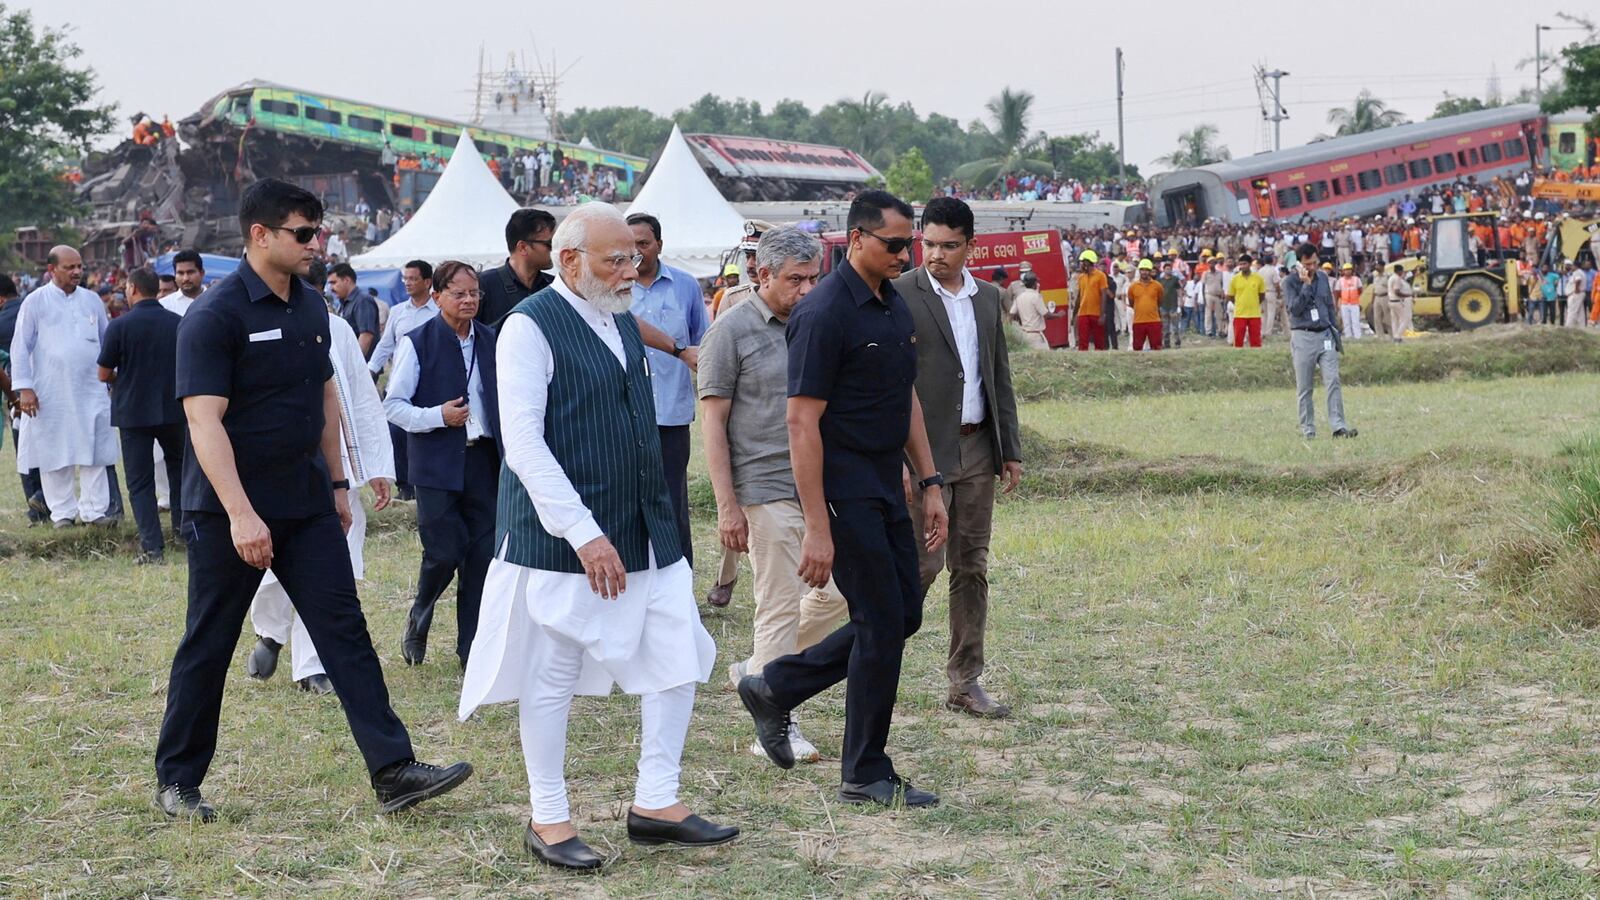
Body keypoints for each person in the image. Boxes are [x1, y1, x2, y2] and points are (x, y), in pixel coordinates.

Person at [153, 178, 471, 823]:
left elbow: (325, 397)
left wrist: (336, 484)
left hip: (306, 504)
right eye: (303, 233)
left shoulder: (309, 307)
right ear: (260, 235)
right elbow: (203, 423)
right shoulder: (214, 317)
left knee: (344, 632)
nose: (314, 243)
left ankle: (393, 770)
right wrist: (241, 514)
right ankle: (178, 779)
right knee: (209, 643)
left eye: (317, 232)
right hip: (228, 511)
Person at [459, 203, 734, 870]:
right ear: (571, 260)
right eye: (616, 259)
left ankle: (657, 800)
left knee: (679, 654)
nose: (632, 271)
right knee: (550, 674)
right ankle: (548, 817)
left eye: (635, 258)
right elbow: (521, 442)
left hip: (646, 527)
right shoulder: (531, 326)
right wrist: (583, 532)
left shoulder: (619, 320)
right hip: (564, 539)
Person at [737, 190, 949, 809]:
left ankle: (775, 686)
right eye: (893, 244)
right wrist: (816, 526)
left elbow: (904, 398)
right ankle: (864, 770)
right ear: (856, 239)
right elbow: (801, 423)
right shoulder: (824, 313)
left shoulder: (892, 306)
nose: (904, 255)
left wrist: (930, 481)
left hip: (886, 481)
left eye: (907, 244)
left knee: (901, 614)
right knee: (882, 622)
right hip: (840, 486)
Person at [698, 225, 847, 761]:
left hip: (821, 486)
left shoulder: (819, 324)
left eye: (814, 278)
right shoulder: (730, 332)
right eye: (794, 280)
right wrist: (727, 505)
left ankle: (760, 671)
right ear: (763, 275)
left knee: (838, 593)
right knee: (780, 604)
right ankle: (778, 724)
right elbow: (712, 424)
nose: (807, 290)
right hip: (761, 487)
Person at [894, 196, 1022, 719]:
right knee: (918, 566)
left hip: (976, 446)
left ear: (971, 246)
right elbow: (891, 385)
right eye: (928, 244)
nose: (936, 255)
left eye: (949, 246)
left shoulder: (988, 297)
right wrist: (901, 462)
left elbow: (999, 374)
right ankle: (874, 660)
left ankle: (966, 680)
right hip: (921, 452)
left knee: (971, 566)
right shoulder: (900, 293)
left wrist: (1009, 448)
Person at [245, 296, 395, 695]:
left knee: (331, 571)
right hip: (275, 469)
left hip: (336, 470)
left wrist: (377, 466)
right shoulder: (253, 326)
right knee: (274, 566)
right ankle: (272, 631)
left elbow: (361, 398)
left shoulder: (338, 330)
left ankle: (313, 666)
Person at [384, 261, 499, 669]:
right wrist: (437, 416)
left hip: (484, 461)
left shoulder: (491, 338)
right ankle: (420, 614)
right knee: (444, 551)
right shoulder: (418, 341)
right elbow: (393, 406)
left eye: (474, 294)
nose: (469, 300)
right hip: (435, 464)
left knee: (483, 558)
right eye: (459, 294)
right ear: (436, 297)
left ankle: (472, 648)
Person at [10, 245, 119, 528]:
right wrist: (24, 388)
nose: (77, 272)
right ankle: (62, 514)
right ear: (51, 270)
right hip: (51, 390)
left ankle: (94, 512)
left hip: (91, 388)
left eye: (79, 267)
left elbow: (106, 341)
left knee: (95, 450)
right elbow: (20, 347)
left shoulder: (92, 300)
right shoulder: (35, 302)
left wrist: (112, 376)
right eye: (70, 267)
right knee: (54, 450)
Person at [627, 212, 710, 568]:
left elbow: (700, 344)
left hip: (673, 414)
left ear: (659, 244)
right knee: (630, 501)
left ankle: (678, 583)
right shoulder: (615, 286)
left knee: (673, 501)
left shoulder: (686, 285)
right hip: (626, 413)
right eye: (630, 245)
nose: (637, 252)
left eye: (643, 244)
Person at [95, 267, 184, 564]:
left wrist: (124, 378)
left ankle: (152, 547)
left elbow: (103, 373)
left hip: (133, 411)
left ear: (132, 288)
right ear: (156, 289)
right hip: (174, 408)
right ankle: (184, 533)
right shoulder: (178, 323)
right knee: (181, 472)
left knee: (140, 482)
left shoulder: (120, 326)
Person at [368, 259, 440, 504]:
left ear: (428, 282)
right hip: (400, 384)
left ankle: (428, 483)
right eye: (405, 279)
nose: (407, 283)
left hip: (430, 384)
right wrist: (371, 370)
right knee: (396, 434)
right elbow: (385, 346)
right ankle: (405, 486)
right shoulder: (398, 312)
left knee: (427, 435)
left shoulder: (440, 311)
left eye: (413, 279)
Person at [1285, 243, 1357, 440]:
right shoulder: (1290, 282)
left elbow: (1328, 305)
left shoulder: (1324, 278)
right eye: (1308, 264)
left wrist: (1335, 332)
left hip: (1325, 334)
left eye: (1315, 263)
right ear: (1299, 263)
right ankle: (1308, 430)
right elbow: (1295, 309)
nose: (1312, 267)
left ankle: (1339, 427)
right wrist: (1306, 284)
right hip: (1303, 336)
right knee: (1305, 386)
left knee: (1333, 380)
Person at [0, 274, 47, 525]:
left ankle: (37, 506)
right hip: (50, 390)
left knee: (26, 453)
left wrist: (13, 399)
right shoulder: (37, 307)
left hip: (21, 396)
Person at [476, 208, 556, 330]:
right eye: (550, 244)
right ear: (523, 247)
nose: (555, 250)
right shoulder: (483, 285)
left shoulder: (554, 286)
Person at [326, 263, 379, 358]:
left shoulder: (362, 301)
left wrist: (356, 364)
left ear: (346, 280)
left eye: (334, 283)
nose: (331, 288)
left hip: (362, 366)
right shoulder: (344, 303)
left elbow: (366, 336)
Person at [1072, 251, 1110, 351]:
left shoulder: (1101, 276)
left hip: (1096, 313)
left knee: (1099, 341)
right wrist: (1075, 314)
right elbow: (1080, 296)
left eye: (1081, 262)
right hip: (1083, 313)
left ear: (1087, 263)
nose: (1080, 265)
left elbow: (1103, 296)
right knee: (1083, 341)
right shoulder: (1081, 277)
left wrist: (1102, 314)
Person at [1228, 255, 1266, 348]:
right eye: (1240, 264)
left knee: (1256, 341)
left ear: (1250, 264)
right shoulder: (1235, 279)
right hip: (1239, 314)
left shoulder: (1258, 278)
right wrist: (1239, 304)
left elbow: (1262, 295)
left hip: (1255, 314)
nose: (1242, 266)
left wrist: (1255, 304)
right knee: (1238, 341)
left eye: (1244, 264)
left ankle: (1256, 358)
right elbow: (1230, 296)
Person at [1127, 258, 1164, 351]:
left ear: (1151, 271)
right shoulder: (1133, 287)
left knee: (1156, 348)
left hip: (1154, 321)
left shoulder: (1157, 286)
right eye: (1142, 270)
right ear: (1139, 271)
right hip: (1138, 321)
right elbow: (1132, 303)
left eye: (1147, 270)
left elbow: (1159, 301)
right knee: (1137, 348)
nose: (1144, 272)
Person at [161, 250, 206, 316]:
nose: (186, 278)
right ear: (175, 275)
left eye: (190, 272)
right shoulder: (164, 306)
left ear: (202, 273)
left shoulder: (216, 301)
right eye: (180, 273)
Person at [1014, 272, 1050, 350]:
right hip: (1035, 336)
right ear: (1034, 284)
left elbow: (1013, 313)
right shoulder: (1036, 297)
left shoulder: (1019, 297)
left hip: (1024, 334)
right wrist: (1059, 314)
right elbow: (1046, 315)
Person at [1157, 260, 1183, 349]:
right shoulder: (1160, 280)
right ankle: (1167, 343)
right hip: (1163, 306)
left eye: (1170, 269)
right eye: (1167, 269)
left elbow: (1179, 290)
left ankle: (1177, 342)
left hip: (1173, 305)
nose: (1168, 270)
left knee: (1175, 326)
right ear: (1163, 270)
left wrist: (1181, 300)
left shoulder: (1175, 279)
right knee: (1165, 327)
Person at [1386, 264, 1414, 343]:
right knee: (1405, 319)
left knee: (1395, 319)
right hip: (1396, 301)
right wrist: (1407, 295)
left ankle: (1395, 336)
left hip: (1390, 301)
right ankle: (1398, 337)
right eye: (1402, 271)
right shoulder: (1397, 279)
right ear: (1399, 271)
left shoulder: (1391, 278)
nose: (1402, 273)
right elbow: (1397, 292)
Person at [1335, 263, 1363, 339]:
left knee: (1355, 321)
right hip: (1344, 303)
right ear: (1343, 271)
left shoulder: (1357, 279)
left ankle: (1357, 336)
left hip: (1354, 303)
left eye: (1349, 269)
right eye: (1346, 270)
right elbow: (1337, 293)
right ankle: (1348, 336)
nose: (1348, 271)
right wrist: (1337, 303)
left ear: (1352, 270)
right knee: (1346, 321)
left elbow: (1360, 290)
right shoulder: (1340, 281)